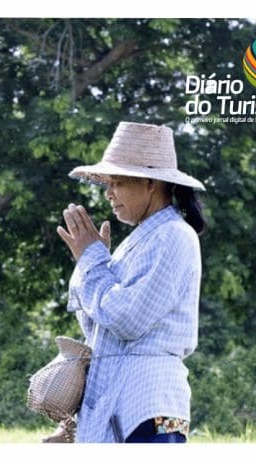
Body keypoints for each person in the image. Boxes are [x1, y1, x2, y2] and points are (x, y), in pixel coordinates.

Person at [56, 121, 206, 443]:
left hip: (151, 408)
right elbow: (94, 324)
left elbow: (127, 320)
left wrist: (93, 262)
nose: (109, 194)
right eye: (107, 184)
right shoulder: (140, 239)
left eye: (118, 183)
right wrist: (89, 261)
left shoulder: (173, 236)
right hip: (121, 405)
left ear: (151, 183)